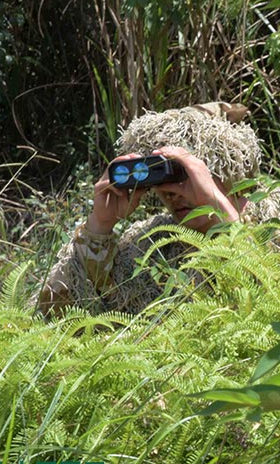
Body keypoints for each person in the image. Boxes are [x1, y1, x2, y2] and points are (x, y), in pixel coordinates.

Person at [38, 102, 260, 316]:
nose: (171, 193)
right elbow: (54, 312)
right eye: (163, 176)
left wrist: (219, 209)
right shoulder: (152, 244)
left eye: (184, 173)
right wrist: (99, 226)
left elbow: (270, 298)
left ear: (228, 169)